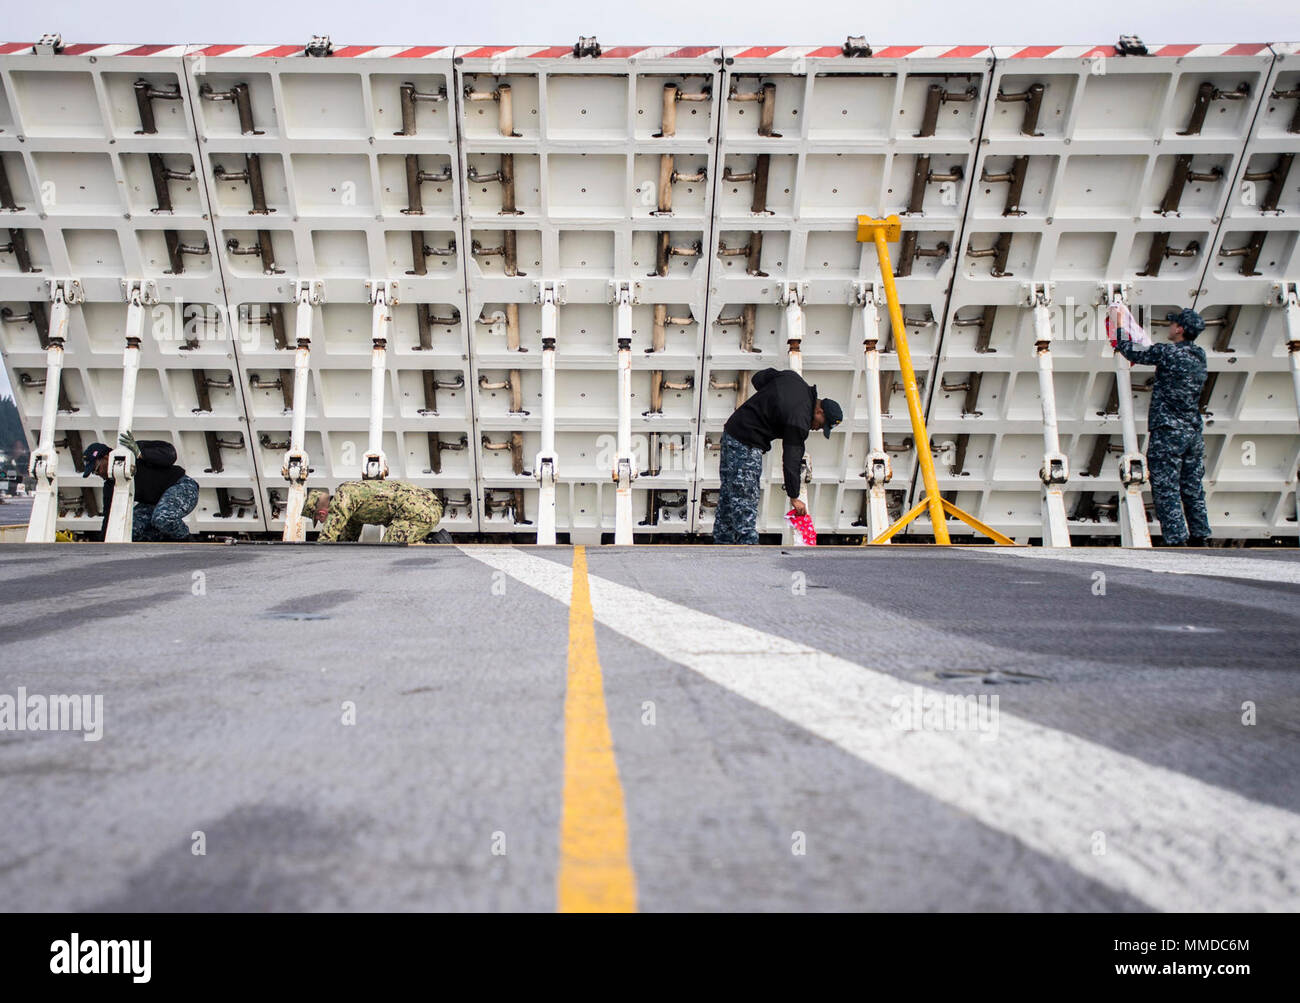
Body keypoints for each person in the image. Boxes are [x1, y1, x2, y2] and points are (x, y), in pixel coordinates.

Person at [1114, 307, 1212, 547]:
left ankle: (1177, 538)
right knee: (1191, 485)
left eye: (1173, 324)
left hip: (1168, 430)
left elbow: (1130, 350)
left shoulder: (1169, 352)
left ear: (1180, 329)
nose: (1169, 327)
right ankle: (1201, 535)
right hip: (1192, 432)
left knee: (1165, 485)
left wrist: (1118, 324)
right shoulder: (1199, 355)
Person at [713, 368, 842, 545]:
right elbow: (791, 459)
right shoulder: (800, 419)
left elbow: (759, 379)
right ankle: (748, 552)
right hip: (747, 444)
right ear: (819, 412)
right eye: (821, 425)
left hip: (731, 433)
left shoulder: (792, 378)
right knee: (745, 500)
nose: (817, 429)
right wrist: (794, 496)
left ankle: (721, 545)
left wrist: (769, 404)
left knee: (729, 497)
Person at [84, 433, 198, 542]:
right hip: (154, 503)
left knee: (162, 518)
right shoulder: (111, 485)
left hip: (181, 486)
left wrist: (141, 453)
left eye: (97, 469)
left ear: (106, 457)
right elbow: (110, 518)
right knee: (128, 530)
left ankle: (187, 541)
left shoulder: (133, 451)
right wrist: (104, 544)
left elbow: (171, 454)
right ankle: (165, 544)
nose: (97, 474)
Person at [304, 480, 444, 543]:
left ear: (321, 513)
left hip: (420, 509)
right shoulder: (349, 507)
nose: (323, 522)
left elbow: (327, 539)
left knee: (389, 550)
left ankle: (436, 545)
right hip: (422, 507)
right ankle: (435, 542)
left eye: (319, 520)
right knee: (393, 546)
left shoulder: (343, 496)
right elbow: (346, 541)